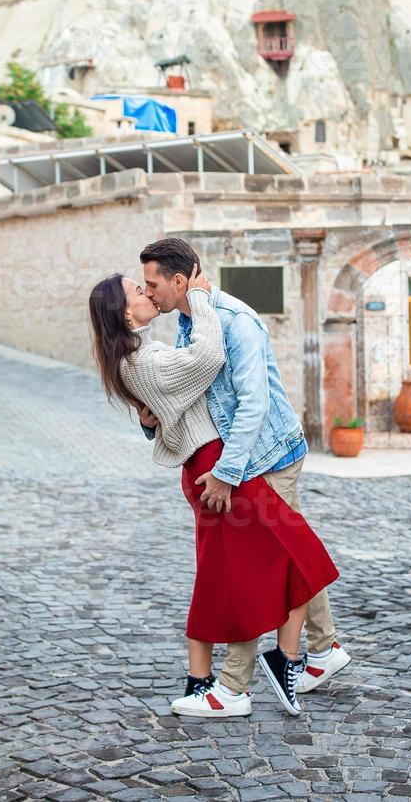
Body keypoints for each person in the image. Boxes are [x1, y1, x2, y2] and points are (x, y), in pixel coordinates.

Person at [88, 264, 338, 718]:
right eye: (136, 290)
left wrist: (155, 419)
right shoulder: (145, 358)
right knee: (281, 560)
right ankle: (245, 680)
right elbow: (206, 361)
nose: (146, 291)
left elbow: (177, 402)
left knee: (289, 556)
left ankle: (294, 657)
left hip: (221, 463)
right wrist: (201, 298)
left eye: (148, 284)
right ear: (124, 315)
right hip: (215, 469)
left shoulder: (151, 349)